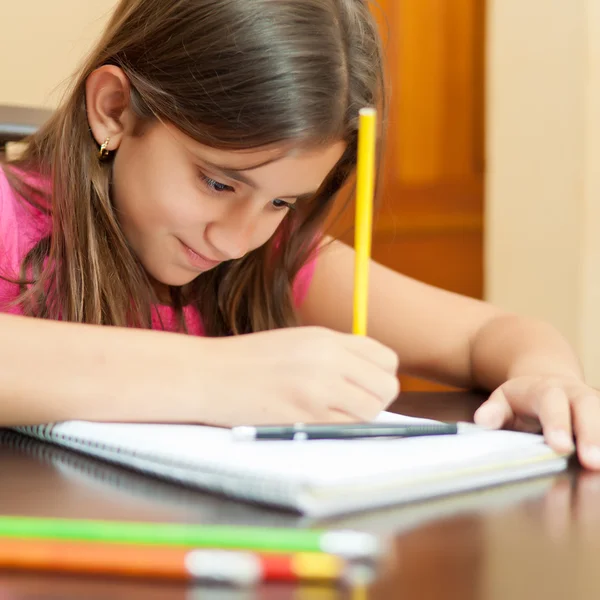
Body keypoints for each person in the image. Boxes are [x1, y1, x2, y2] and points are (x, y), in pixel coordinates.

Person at [1, 0, 598, 470]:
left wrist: (549, 378)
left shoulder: (272, 261)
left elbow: (493, 334)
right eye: (217, 184)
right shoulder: (10, 211)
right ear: (114, 109)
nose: (236, 241)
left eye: (282, 201)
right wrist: (222, 374)